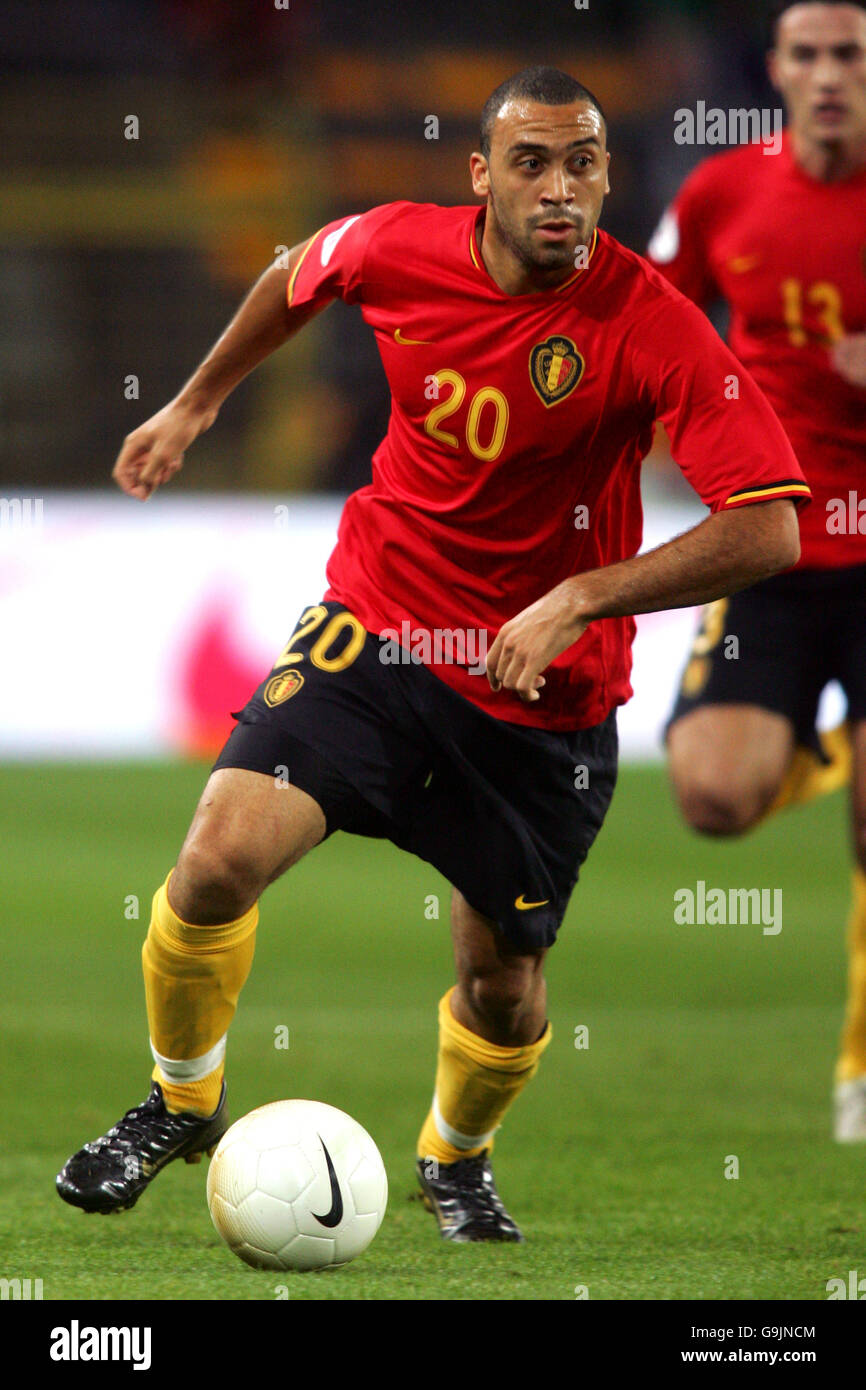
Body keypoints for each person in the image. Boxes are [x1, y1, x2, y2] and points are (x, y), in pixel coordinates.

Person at [56, 65, 808, 1242]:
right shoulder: (397, 246)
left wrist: (582, 597)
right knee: (211, 864)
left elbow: (768, 522)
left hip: (535, 696)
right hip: (378, 627)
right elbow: (294, 270)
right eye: (529, 163)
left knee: (500, 987)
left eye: (580, 164)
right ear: (482, 176)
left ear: (607, 175)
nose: (557, 190)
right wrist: (196, 403)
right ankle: (179, 1098)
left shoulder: (646, 320)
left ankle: (454, 1158)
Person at [648, 1, 866, 1139]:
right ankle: (827, 747)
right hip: (773, 541)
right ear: (776, 67)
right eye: (809, 55)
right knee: (713, 799)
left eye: (849, 55)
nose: (827, 75)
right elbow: (645, 323)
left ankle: (858, 1074)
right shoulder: (721, 193)